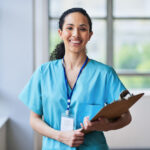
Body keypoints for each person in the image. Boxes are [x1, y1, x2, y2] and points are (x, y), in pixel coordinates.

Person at [19, 7, 132, 150]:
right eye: (70, 28)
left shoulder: (104, 74)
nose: (76, 34)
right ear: (60, 33)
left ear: (90, 35)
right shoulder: (44, 72)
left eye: (83, 29)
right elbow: (34, 119)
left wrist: (106, 125)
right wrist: (60, 136)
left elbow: (126, 116)